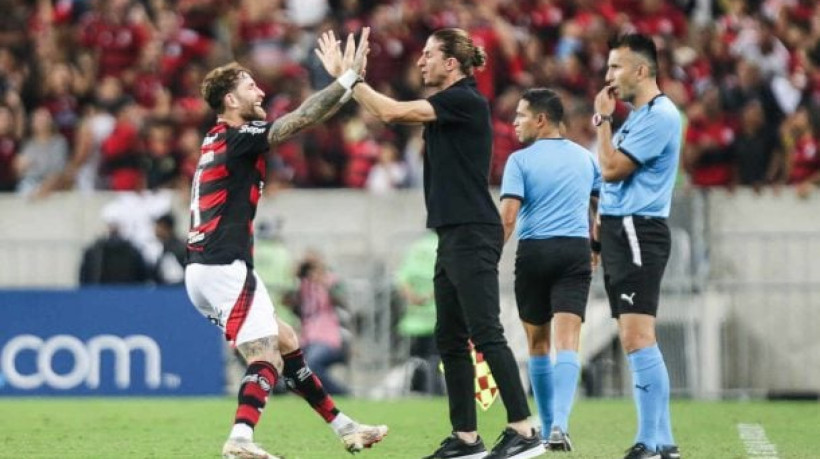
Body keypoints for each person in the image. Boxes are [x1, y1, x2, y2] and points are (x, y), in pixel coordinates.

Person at [316, 27, 545, 459]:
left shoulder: (463, 100)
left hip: (471, 231)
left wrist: (349, 78)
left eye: (428, 55)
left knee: (485, 332)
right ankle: (466, 439)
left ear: (451, 64)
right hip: (453, 232)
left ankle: (525, 430)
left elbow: (390, 113)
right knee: (451, 339)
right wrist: (351, 82)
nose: (420, 62)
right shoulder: (451, 104)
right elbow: (386, 111)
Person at [184, 28, 387, 459]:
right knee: (266, 358)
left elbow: (303, 116)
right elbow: (300, 119)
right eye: (249, 86)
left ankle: (346, 428)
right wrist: (347, 81)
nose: (259, 90)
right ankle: (240, 440)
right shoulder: (238, 137)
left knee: (287, 340)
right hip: (223, 265)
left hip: (203, 269)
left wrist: (346, 85)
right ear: (230, 102)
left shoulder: (216, 138)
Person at [593, 34, 682, 459]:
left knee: (637, 336)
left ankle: (651, 442)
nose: (608, 77)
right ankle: (662, 442)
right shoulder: (638, 116)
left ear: (640, 71)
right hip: (619, 229)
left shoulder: (660, 116)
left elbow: (611, 170)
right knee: (635, 337)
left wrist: (601, 121)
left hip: (636, 229)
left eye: (615, 68)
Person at [499, 88, 601, 452]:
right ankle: (560, 425)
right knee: (568, 342)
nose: (515, 123)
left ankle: (544, 428)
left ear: (541, 120)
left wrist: (486, 259)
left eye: (521, 115)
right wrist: (597, 246)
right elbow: (601, 206)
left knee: (538, 345)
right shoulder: (586, 159)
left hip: (535, 251)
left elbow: (508, 219)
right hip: (575, 251)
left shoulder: (519, 161)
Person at [395, 230, 442, 395]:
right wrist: (428, 297)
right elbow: (447, 279)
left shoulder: (416, 248)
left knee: (416, 359)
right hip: (437, 317)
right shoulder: (443, 246)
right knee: (436, 360)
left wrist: (414, 298)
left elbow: (402, 279)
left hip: (414, 320)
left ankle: (416, 389)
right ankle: (435, 391)